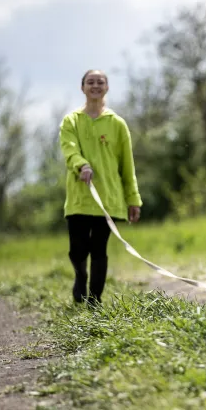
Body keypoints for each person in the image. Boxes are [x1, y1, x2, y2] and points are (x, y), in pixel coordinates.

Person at [58, 69, 142, 306]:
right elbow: (69, 150)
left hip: (109, 199)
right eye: (90, 82)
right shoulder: (71, 120)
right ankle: (80, 275)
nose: (95, 85)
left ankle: (95, 300)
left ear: (107, 87)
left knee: (99, 249)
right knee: (77, 249)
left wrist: (133, 199)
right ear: (82, 87)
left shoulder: (117, 124)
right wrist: (81, 165)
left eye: (100, 82)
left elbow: (128, 165)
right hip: (79, 198)